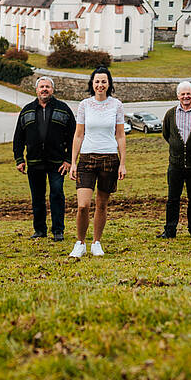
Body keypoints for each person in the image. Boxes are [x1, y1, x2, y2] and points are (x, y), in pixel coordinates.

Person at [69, 67, 126, 258]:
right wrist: (74, 162)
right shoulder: (84, 105)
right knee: (83, 205)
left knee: (102, 204)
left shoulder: (116, 105)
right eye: (97, 81)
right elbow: (78, 135)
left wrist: (123, 163)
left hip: (109, 158)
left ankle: (96, 242)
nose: (100, 85)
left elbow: (120, 135)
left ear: (109, 84)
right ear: (92, 84)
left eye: (103, 81)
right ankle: (80, 242)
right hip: (86, 158)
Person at [13, 76, 75, 242]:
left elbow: (74, 137)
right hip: (34, 163)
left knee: (56, 195)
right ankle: (39, 230)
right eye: (42, 87)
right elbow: (18, 138)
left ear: (52, 90)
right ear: (36, 90)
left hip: (57, 163)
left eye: (47, 86)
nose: (44, 89)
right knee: (37, 198)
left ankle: (58, 231)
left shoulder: (63, 109)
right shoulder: (26, 110)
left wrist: (69, 160)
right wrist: (19, 159)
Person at [158, 81, 191, 240]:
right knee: (172, 199)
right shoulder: (170, 114)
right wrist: (178, 149)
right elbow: (167, 135)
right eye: (182, 94)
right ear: (178, 96)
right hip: (175, 164)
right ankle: (170, 230)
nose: (186, 96)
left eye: (188, 93)